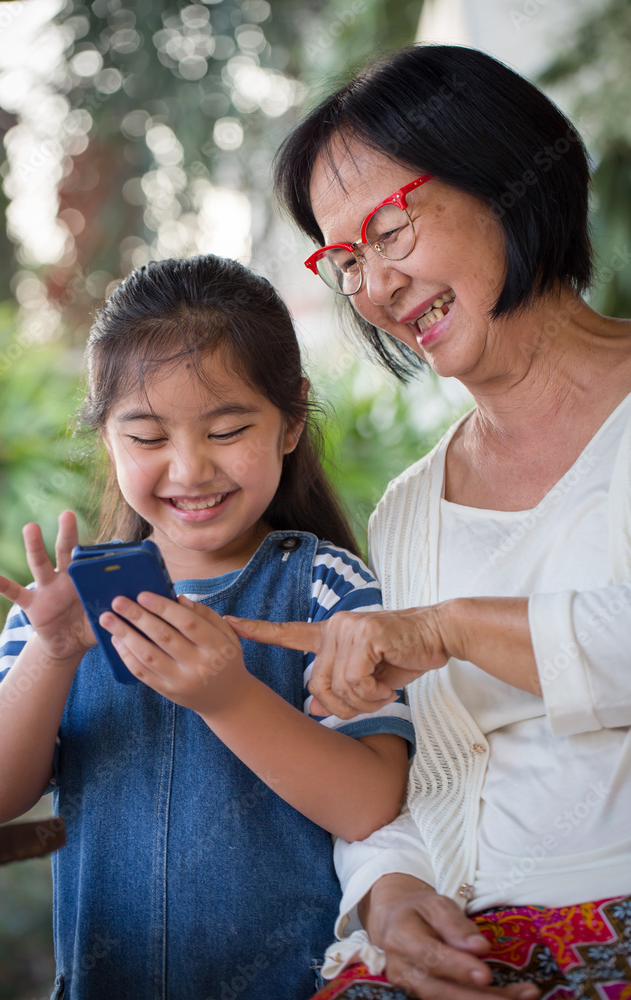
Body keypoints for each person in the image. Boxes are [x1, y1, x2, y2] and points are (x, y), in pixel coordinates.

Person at [226, 44, 631, 1000]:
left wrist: (446, 628)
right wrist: (389, 893)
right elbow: (415, 763)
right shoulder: (410, 502)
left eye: (390, 228)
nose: (371, 288)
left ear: (503, 178)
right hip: (462, 942)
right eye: (347, 258)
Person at [0, 255, 416, 1000]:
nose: (189, 467)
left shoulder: (326, 588)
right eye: (146, 437)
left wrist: (227, 697)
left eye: (228, 427)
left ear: (291, 421)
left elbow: (370, 803)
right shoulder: (60, 605)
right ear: (105, 434)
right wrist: (50, 655)